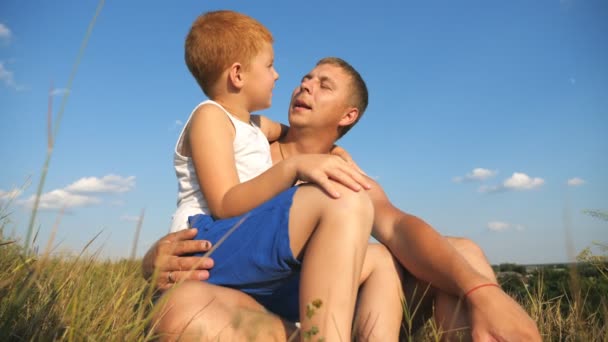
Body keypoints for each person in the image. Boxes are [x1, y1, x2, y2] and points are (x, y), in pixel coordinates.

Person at [144, 56, 542, 341]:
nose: (304, 86)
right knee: (180, 315)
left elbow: (397, 226)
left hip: (315, 301)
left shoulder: (342, 170)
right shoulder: (249, 141)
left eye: (323, 84)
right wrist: (151, 261)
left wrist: (481, 291)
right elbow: (207, 207)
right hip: (240, 298)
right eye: (306, 78)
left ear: (347, 115)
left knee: (464, 254)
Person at [161, 10, 407, 341]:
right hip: (206, 240)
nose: (278, 76)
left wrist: (334, 153)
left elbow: (290, 131)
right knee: (337, 196)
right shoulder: (210, 118)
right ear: (237, 75)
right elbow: (224, 203)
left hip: (240, 246)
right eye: (268, 65)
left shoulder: (254, 125)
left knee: (378, 258)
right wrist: (292, 168)